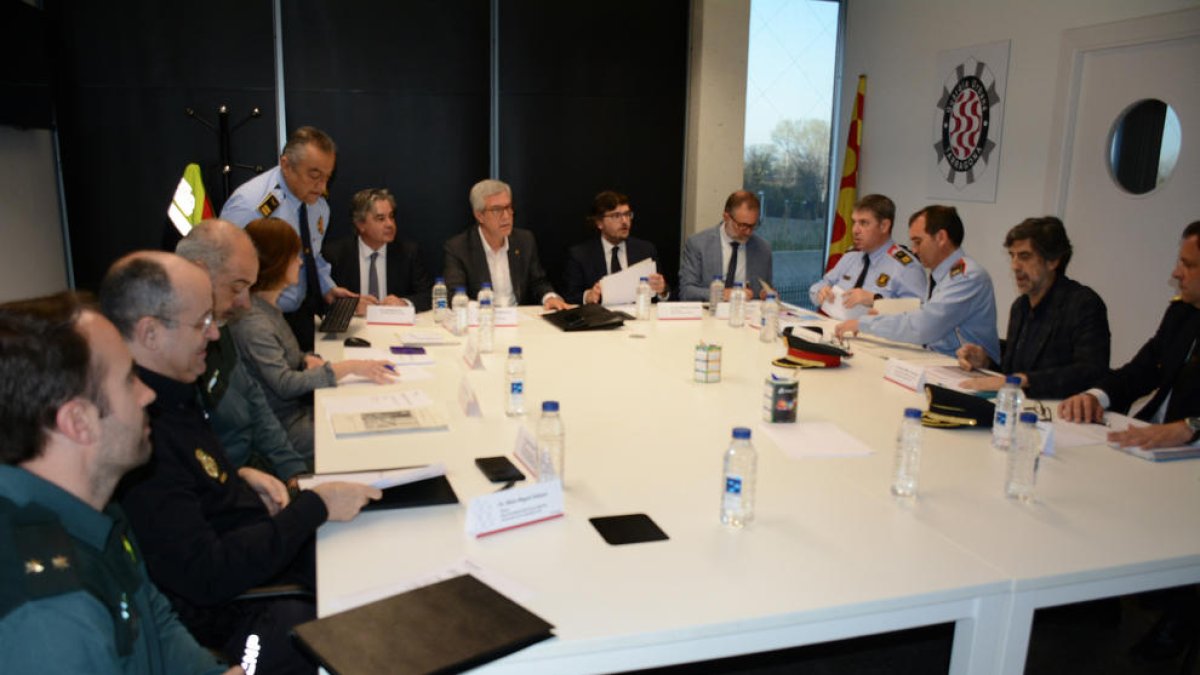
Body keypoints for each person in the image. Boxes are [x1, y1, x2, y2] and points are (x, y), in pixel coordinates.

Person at [99, 251, 381, 674]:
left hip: (262, 556)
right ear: (151, 333)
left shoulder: (174, 394)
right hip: (245, 609)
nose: (214, 336)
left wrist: (238, 477)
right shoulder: (140, 435)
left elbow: (197, 488)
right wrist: (314, 507)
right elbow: (207, 574)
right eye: (201, 323)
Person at [0, 292, 236, 675]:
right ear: (78, 422)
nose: (149, 393)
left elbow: (151, 615)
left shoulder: (89, 506)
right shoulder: (49, 621)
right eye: (129, 381)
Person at [232, 218, 395, 461]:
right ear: (276, 263)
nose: (299, 263)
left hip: (295, 414)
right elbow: (285, 384)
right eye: (293, 257)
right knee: (369, 431)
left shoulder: (267, 309)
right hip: (283, 428)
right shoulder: (255, 323)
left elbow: (285, 357)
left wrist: (307, 359)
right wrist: (348, 368)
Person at [176, 219, 309, 482]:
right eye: (237, 288)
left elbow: (256, 403)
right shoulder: (175, 356)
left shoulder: (220, 326)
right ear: (199, 274)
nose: (246, 304)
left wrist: (294, 471)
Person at [1059, 221, 1200, 449]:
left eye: (1188, 264)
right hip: (1149, 441)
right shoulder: (1181, 314)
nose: (1176, 273)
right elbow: (1140, 371)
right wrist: (1095, 397)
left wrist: (1192, 426)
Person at [220, 126, 358, 352]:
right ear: (286, 164)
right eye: (314, 176)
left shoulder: (318, 206)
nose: (322, 187)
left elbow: (312, 254)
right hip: (259, 326)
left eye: (327, 177)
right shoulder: (251, 206)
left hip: (301, 316)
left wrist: (327, 288)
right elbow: (227, 275)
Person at [956, 217, 1110, 398]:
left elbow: (1089, 372)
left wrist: (1024, 380)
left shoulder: (1083, 303)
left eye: (1025, 256)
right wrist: (986, 361)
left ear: (1053, 261)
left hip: (1062, 413)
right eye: (1012, 256)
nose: (1014, 266)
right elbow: (1013, 371)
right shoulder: (1020, 306)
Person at [835, 205, 1000, 361]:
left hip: (969, 371)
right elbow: (922, 314)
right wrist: (885, 314)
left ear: (941, 238)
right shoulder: (942, 274)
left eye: (918, 241)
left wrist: (863, 323)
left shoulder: (966, 276)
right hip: (938, 360)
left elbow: (923, 327)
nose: (913, 249)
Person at [442, 179, 569, 310]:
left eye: (508, 207)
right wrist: (482, 310)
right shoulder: (458, 248)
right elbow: (455, 296)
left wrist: (549, 297)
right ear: (479, 216)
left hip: (519, 321)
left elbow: (538, 282)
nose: (506, 216)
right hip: (483, 321)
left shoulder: (525, 240)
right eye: (497, 210)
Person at [324, 187, 433, 312]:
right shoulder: (336, 254)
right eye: (381, 219)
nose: (390, 224)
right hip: (353, 328)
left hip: (394, 327)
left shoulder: (408, 252)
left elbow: (428, 295)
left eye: (391, 217)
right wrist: (350, 306)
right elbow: (322, 300)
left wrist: (404, 303)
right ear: (361, 224)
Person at [809, 194, 926, 309]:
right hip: (836, 325)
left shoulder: (907, 267)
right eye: (854, 222)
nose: (855, 230)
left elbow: (917, 315)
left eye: (863, 223)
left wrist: (876, 301)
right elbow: (819, 285)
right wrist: (821, 291)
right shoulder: (851, 257)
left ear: (884, 226)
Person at [562, 190, 670, 305]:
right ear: (599, 223)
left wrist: (662, 291)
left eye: (627, 214)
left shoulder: (645, 250)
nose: (624, 221)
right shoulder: (580, 255)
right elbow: (570, 296)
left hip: (638, 318)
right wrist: (588, 296)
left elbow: (663, 295)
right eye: (616, 216)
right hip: (600, 319)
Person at [678, 190, 773, 301]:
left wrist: (767, 295)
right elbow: (686, 291)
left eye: (753, 225)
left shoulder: (763, 249)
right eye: (742, 225)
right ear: (726, 217)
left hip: (745, 315)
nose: (748, 232)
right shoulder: (698, 244)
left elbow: (764, 290)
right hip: (709, 314)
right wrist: (722, 294)